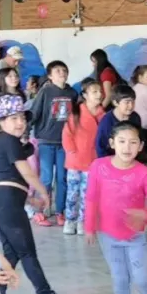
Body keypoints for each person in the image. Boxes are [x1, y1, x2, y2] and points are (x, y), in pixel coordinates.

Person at [84, 121, 147, 294]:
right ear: (112, 143)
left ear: (140, 146)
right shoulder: (99, 166)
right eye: (122, 142)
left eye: (133, 142)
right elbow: (92, 198)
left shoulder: (143, 174)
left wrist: (145, 215)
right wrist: (89, 227)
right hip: (108, 235)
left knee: (141, 278)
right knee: (119, 278)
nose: (127, 147)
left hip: (135, 236)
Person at [0, 95, 60, 294]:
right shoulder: (8, 140)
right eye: (13, 118)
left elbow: (9, 181)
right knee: (27, 252)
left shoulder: (5, 142)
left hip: (4, 202)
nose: (19, 122)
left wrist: (30, 199)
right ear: (1, 122)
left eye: (22, 118)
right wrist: (44, 191)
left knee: (12, 253)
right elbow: (25, 172)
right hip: (6, 204)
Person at [28, 60, 76, 227]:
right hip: (46, 141)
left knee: (62, 179)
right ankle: (40, 211)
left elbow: (75, 118)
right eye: (57, 71)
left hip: (64, 143)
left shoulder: (72, 93)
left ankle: (59, 212)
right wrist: (25, 132)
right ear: (50, 75)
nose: (62, 73)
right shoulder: (46, 91)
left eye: (64, 70)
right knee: (46, 178)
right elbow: (34, 113)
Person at [61, 81, 105, 237]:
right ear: (85, 95)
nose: (99, 94)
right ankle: (70, 220)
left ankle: (82, 221)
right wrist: (71, 150)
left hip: (93, 161)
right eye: (94, 91)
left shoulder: (103, 115)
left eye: (99, 91)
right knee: (72, 192)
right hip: (75, 161)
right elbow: (67, 134)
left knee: (88, 194)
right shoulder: (77, 112)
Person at [95, 84, 141, 159]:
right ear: (115, 103)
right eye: (127, 102)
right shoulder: (106, 121)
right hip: (111, 160)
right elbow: (100, 146)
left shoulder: (135, 117)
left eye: (133, 102)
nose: (131, 105)